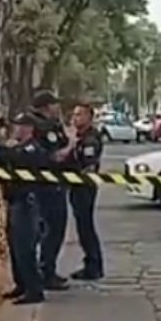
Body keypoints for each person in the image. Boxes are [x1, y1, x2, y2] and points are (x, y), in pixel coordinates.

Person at [0, 113, 50, 304]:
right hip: (14, 201)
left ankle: (34, 289)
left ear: (28, 128)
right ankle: (22, 284)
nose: (15, 128)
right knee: (15, 246)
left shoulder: (32, 149)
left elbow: (8, 156)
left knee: (25, 247)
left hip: (27, 203)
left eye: (19, 125)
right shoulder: (19, 148)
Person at [30, 91, 73, 290]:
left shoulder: (50, 125)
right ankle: (46, 271)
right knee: (53, 229)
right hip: (48, 185)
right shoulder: (42, 127)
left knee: (49, 230)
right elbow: (56, 156)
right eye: (55, 105)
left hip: (51, 184)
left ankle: (47, 269)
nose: (58, 108)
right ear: (47, 107)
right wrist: (72, 144)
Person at [67, 103, 105, 281]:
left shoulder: (90, 139)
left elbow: (88, 165)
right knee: (83, 227)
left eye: (80, 115)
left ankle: (94, 266)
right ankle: (90, 263)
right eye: (74, 115)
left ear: (90, 118)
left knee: (86, 227)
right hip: (76, 186)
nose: (76, 118)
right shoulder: (79, 136)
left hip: (84, 187)